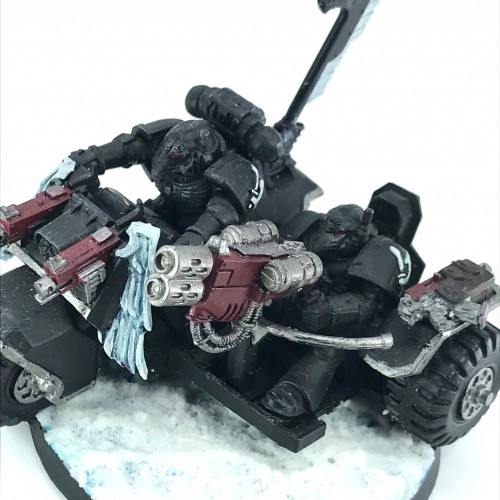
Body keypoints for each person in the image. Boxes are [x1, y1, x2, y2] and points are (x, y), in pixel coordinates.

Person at [261, 204, 412, 418]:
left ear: (356, 236)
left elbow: (367, 303)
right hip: (289, 297)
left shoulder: (384, 253)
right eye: (327, 229)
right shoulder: (311, 225)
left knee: (329, 349)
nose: (326, 238)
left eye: (338, 234)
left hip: (339, 322)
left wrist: (329, 310)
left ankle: (295, 392)